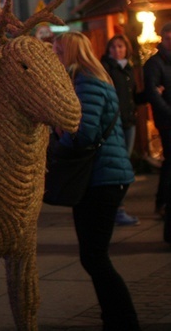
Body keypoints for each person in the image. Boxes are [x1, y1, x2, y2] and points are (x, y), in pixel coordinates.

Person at [52, 32, 140, 331]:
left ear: (70, 52)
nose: (54, 53)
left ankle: (123, 320)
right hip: (105, 176)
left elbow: (85, 134)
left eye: (57, 49)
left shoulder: (86, 80)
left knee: (95, 257)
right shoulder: (95, 77)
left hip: (102, 178)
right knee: (93, 256)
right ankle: (115, 318)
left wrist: (57, 143)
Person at [101, 34, 140, 226]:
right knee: (118, 168)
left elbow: (132, 96)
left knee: (125, 167)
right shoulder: (107, 68)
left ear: (126, 49)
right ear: (109, 50)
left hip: (129, 122)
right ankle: (117, 209)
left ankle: (117, 208)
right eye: (114, 47)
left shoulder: (128, 69)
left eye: (121, 46)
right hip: (114, 124)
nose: (117, 50)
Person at [143, 22, 171, 224]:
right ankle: (162, 202)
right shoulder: (155, 63)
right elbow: (153, 93)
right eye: (169, 39)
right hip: (167, 121)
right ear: (163, 39)